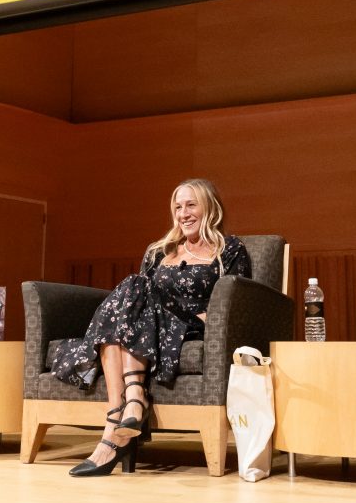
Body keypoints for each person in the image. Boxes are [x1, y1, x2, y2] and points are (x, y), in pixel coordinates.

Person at [51, 178, 252, 476]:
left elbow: (239, 305)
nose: (183, 213)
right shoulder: (159, 251)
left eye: (191, 205)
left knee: (132, 295)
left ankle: (119, 421)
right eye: (178, 207)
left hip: (192, 327)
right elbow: (137, 302)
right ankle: (127, 406)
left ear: (210, 207)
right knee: (133, 290)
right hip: (150, 328)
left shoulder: (230, 250)